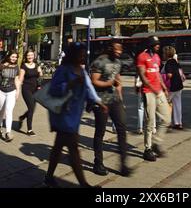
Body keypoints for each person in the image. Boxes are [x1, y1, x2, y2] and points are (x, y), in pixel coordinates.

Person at [44, 42, 106, 188]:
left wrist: (98, 102)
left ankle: (48, 177)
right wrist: (70, 84)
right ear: (73, 54)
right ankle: (83, 184)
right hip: (63, 115)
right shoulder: (63, 70)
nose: (83, 56)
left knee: (58, 147)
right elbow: (54, 90)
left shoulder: (82, 71)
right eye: (81, 53)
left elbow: (89, 90)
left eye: (84, 54)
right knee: (73, 149)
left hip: (74, 115)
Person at [90, 38, 132, 177]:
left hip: (115, 100)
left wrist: (121, 98)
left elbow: (118, 81)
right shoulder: (99, 61)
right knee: (100, 132)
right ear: (110, 49)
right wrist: (109, 83)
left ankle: (124, 164)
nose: (119, 52)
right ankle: (98, 163)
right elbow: (94, 81)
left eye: (120, 49)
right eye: (116, 49)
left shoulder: (118, 62)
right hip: (101, 101)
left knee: (122, 129)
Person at [137, 36, 171, 162]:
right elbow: (143, 77)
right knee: (150, 122)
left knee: (167, 118)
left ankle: (157, 143)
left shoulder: (157, 57)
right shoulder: (142, 56)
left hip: (159, 91)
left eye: (158, 44)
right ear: (151, 45)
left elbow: (157, 73)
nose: (158, 46)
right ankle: (148, 149)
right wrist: (153, 88)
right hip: (148, 92)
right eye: (156, 44)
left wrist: (163, 87)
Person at [18, 49, 43, 135]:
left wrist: (40, 74)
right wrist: (17, 89)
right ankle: (29, 130)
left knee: (32, 109)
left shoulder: (37, 65)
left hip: (36, 90)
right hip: (26, 89)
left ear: (34, 56)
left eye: (31, 55)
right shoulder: (23, 66)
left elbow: (41, 75)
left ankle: (22, 117)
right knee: (31, 108)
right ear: (26, 56)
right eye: (28, 55)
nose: (30, 57)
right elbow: (20, 79)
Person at [0, 51, 20, 142]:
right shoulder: (2, 65)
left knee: (9, 111)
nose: (14, 58)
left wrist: (18, 91)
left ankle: (8, 132)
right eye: (13, 56)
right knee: (1, 111)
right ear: (8, 56)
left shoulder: (16, 67)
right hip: (1, 91)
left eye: (16, 57)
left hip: (11, 91)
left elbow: (16, 79)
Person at [164, 46, 185, 130]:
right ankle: (178, 123)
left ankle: (167, 122)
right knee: (177, 104)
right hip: (179, 86)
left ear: (166, 54)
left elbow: (169, 75)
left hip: (171, 86)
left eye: (163, 53)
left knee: (165, 103)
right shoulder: (176, 62)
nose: (163, 55)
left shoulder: (168, 63)